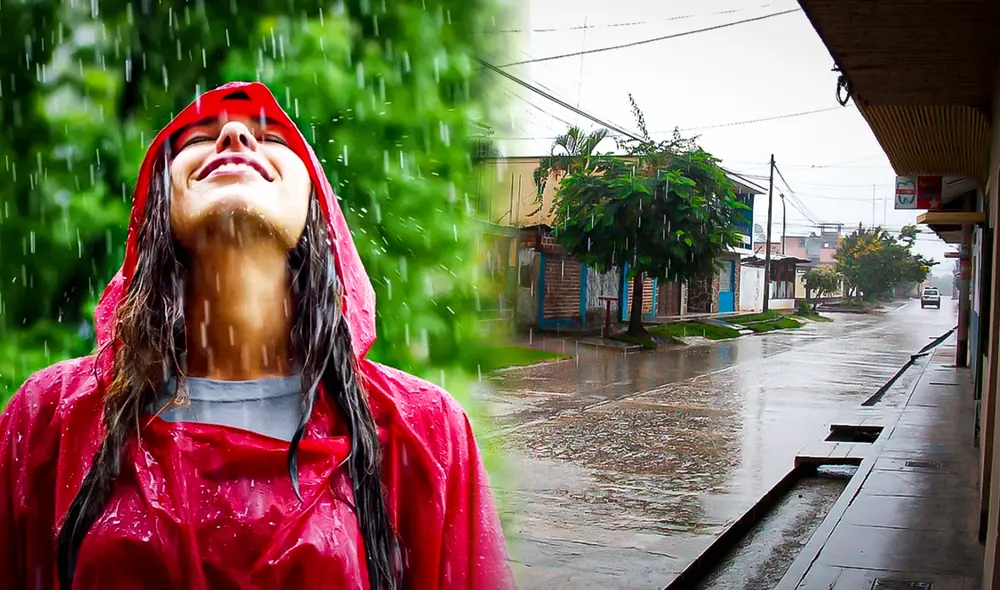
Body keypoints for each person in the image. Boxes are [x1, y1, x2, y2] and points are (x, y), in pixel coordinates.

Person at [0, 82, 513, 589]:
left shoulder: (421, 432)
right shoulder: (48, 419)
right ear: (156, 208)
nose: (235, 139)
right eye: (199, 138)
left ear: (318, 213)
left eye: (272, 138)